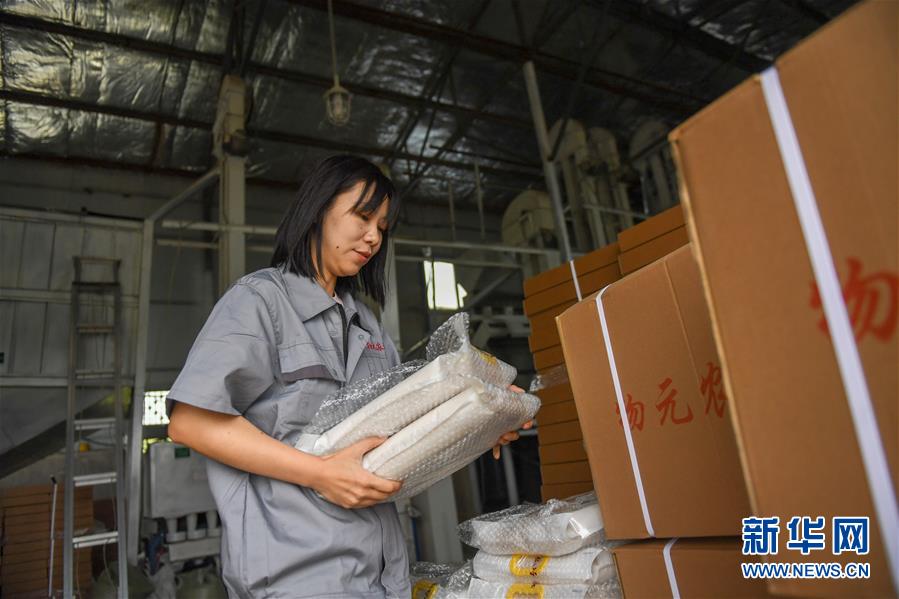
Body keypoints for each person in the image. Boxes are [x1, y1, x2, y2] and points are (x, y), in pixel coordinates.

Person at [166, 155, 528, 598]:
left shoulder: (367, 325)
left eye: (382, 226)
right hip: (298, 574)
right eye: (363, 216)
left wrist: (479, 420)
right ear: (318, 208)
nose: (374, 236)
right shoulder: (260, 302)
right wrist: (320, 473)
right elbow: (190, 422)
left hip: (382, 573)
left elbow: (401, 435)